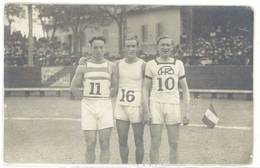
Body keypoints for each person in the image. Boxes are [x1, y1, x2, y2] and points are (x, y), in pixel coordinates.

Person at [142, 35, 191, 164]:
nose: (165, 47)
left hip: (173, 104)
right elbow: (145, 89)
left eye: (168, 45)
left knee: (174, 143)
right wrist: (146, 111)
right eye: (162, 45)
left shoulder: (178, 64)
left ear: (172, 47)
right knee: (155, 142)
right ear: (157, 47)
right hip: (155, 104)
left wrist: (187, 111)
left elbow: (185, 89)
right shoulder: (151, 64)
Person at [70, 36, 118, 163]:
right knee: (90, 143)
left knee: (105, 143)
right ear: (90, 49)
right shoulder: (83, 66)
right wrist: (84, 99)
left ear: (105, 48)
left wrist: (105, 97)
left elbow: (115, 86)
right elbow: (74, 87)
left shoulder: (111, 66)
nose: (98, 50)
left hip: (104, 106)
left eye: (101, 47)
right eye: (95, 47)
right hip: (88, 106)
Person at [114, 37, 146, 164]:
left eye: (133, 46)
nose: (131, 49)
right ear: (124, 48)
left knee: (139, 140)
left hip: (137, 106)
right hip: (121, 106)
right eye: (128, 46)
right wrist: (84, 61)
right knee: (122, 139)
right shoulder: (117, 64)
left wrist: (145, 108)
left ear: (137, 47)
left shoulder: (143, 64)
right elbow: (100, 62)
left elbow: (147, 88)